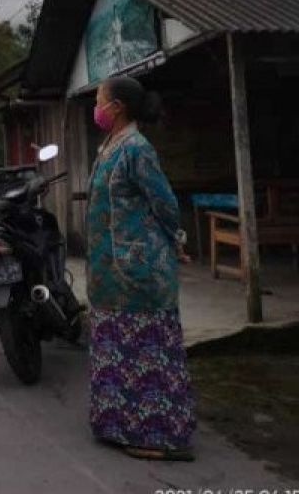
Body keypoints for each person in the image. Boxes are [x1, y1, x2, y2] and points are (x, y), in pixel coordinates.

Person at [86, 76, 195, 461]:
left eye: (99, 99)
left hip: (137, 269)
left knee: (146, 352)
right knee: (116, 347)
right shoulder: (111, 146)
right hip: (111, 274)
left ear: (117, 107)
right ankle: (118, 425)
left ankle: (159, 437)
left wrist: (176, 240)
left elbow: (164, 202)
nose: (95, 106)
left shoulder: (137, 149)